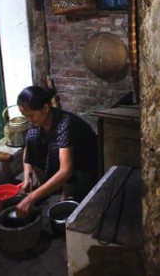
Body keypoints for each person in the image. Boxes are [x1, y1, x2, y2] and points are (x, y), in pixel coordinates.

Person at [15, 86, 98, 218]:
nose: (29, 119)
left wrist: (31, 198)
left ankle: (67, 191)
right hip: (63, 156)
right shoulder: (37, 120)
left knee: (55, 150)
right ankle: (44, 185)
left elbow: (66, 171)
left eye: (30, 115)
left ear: (45, 108)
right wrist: (27, 176)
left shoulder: (65, 124)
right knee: (32, 137)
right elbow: (28, 148)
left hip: (84, 160)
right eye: (25, 116)